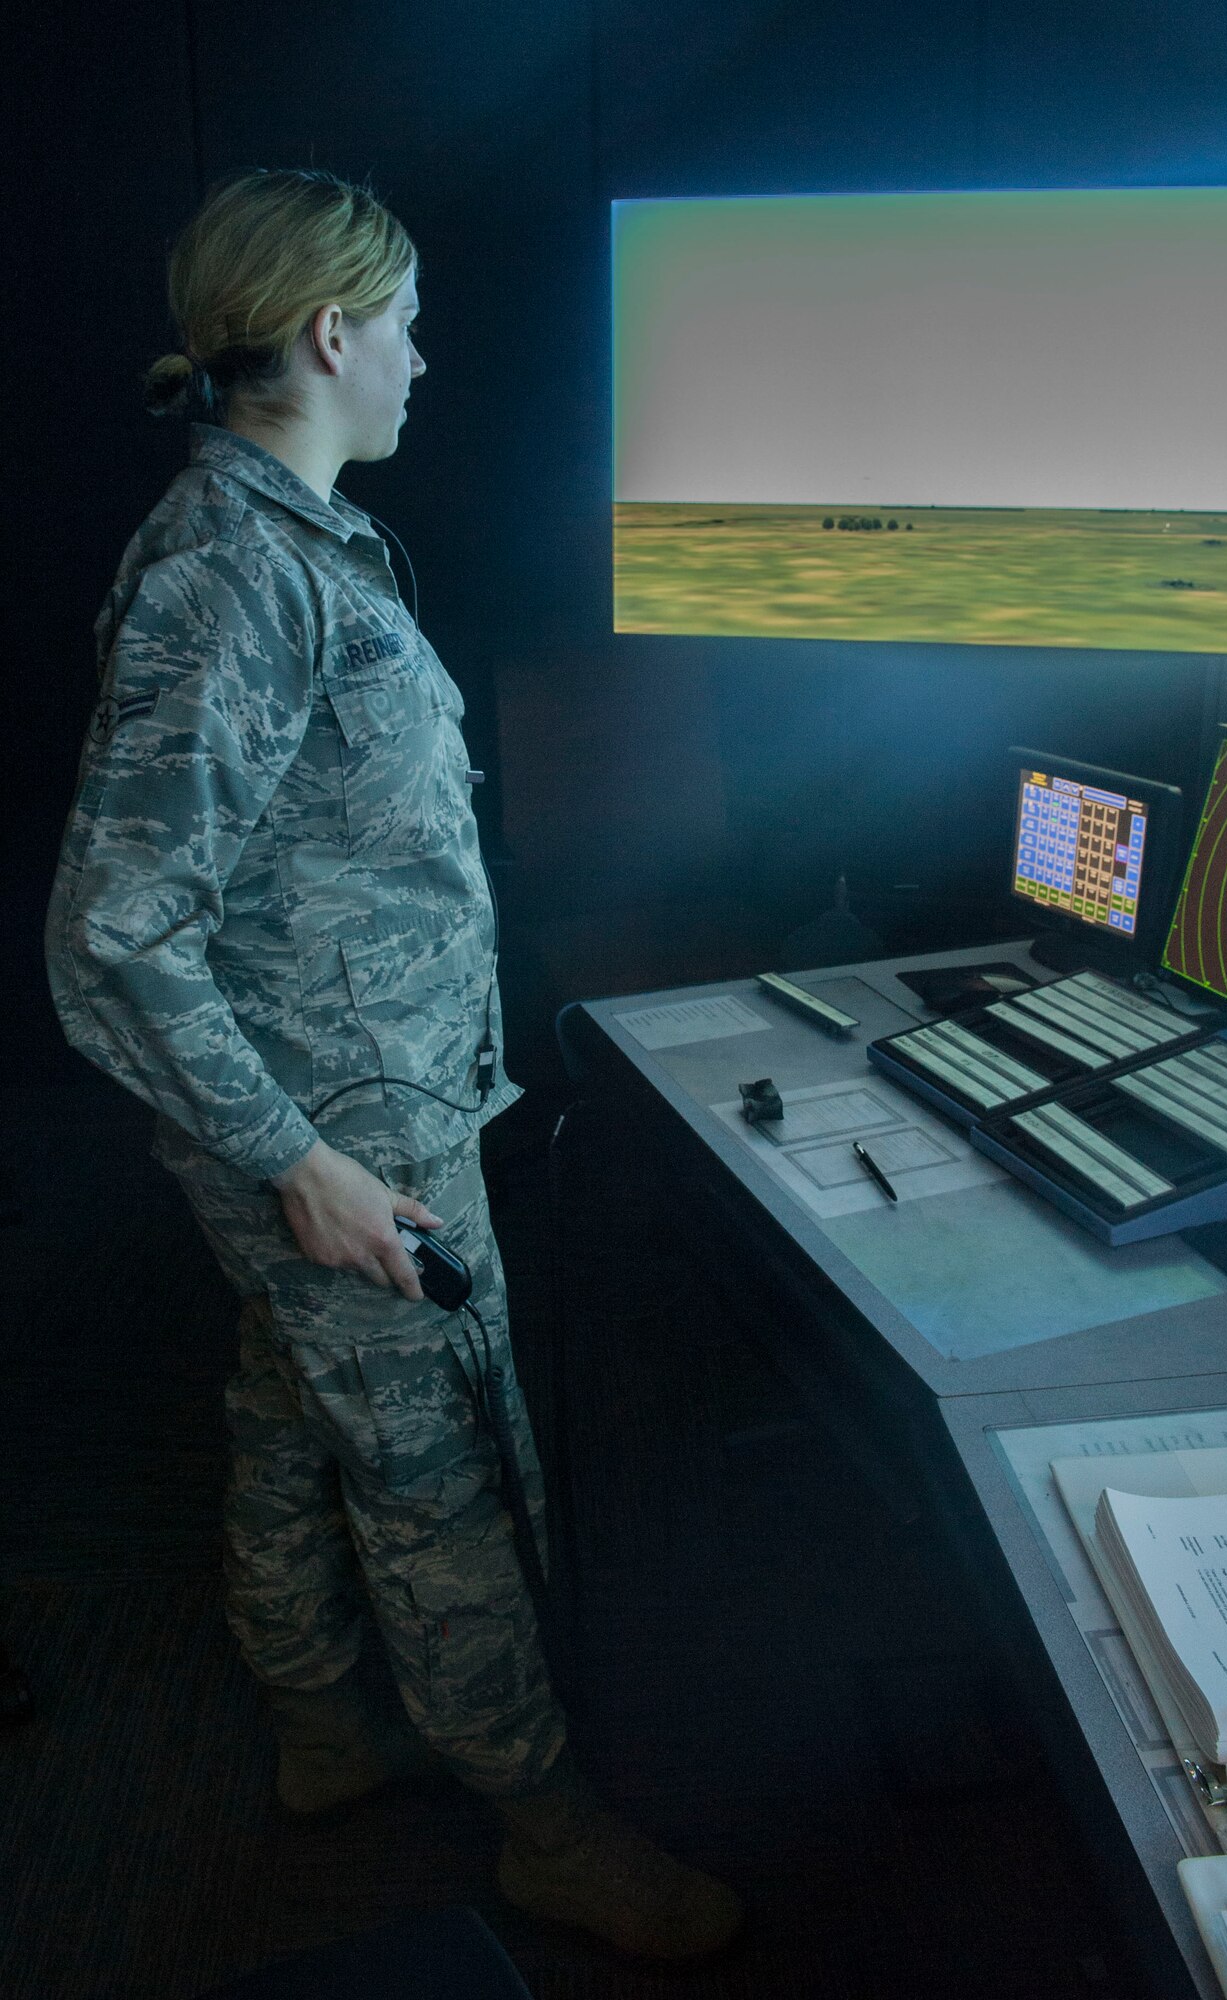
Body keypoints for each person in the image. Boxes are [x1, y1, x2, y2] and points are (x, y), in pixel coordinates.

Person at [43, 165, 742, 1962]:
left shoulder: (287, 538)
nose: (429, 358)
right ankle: (543, 1826)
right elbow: (113, 933)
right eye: (409, 322)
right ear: (335, 329)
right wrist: (303, 1161)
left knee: (296, 1417)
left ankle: (323, 1733)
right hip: (347, 1144)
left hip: (355, 1110)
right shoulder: (230, 576)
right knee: (442, 1472)